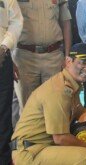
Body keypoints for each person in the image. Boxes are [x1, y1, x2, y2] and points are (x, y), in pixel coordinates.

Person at [11, 43, 86, 165]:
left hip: (44, 146)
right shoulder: (58, 91)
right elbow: (60, 138)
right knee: (83, 156)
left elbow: (80, 112)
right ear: (68, 61)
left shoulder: (71, 84)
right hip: (30, 152)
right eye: (83, 62)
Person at [14, 0, 72, 111]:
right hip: (25, 58)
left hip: (53, 57)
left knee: (55, 106)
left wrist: (67, 56)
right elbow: (6, 25)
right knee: (27, 108)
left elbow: (66, 23)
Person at [0, 0, 23, 163]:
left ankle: (4, 160)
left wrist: (4, 47)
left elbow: (16, 21)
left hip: (2, 57)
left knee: (3, 114)